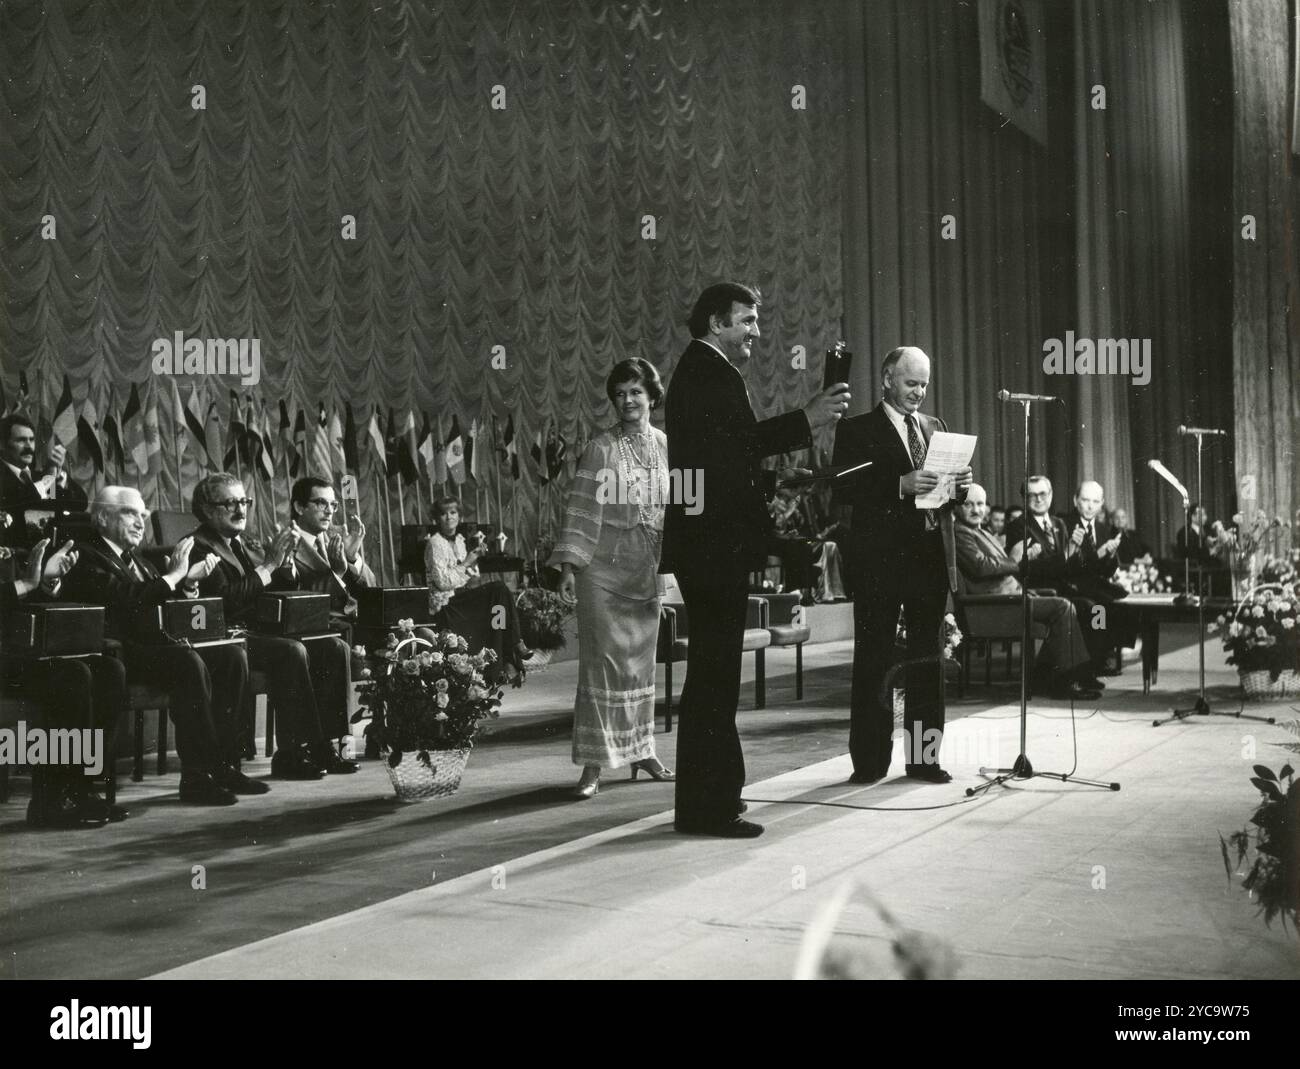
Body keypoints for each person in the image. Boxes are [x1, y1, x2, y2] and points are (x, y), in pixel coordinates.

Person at [661, 282, 849, 837]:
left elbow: (720, 456)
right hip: (711, 548)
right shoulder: (706, 371)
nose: (756, 332)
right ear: (717, 322)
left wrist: (771, 477)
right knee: (714, 679)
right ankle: (706, 809)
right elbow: (735, 443)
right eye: (747, 320)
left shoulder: (706, 369)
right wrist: (806, 418)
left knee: (715, 678)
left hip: (711, 546)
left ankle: (714, 798)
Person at [60, 487, 254, 806]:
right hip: (119, 651)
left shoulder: (139, 560)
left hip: (155, 648)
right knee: (187, 662)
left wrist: (187, 583)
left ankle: (225, 764)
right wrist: (174, 576)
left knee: (231, 655)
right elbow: (126, 599)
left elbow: (166, 606)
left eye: (144, 514)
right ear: (104, 518)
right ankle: (197, 775)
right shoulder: (85, 555)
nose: (141, 522)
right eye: (131, 513)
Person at [832, 346, 972, 785]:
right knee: (874, 660)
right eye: (911, 383)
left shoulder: (935, 427)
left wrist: (961, 486)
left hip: (927, 562)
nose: (919, 392)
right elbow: (843, 488)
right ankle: (870, 762)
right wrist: (899, 484)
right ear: (888, 378)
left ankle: (924, 759)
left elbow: (945, 495)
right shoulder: (857, 429)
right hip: (880, 563)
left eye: (925, 384)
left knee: (927, 662)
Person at [549, 358, 673, 799]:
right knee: (601, 669)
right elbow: (582, 508)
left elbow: (684, 505)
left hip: (646, 573)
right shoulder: (600, 448)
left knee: (640, 669)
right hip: (599, 574)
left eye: (636, 392)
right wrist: (568, 567)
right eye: (620, 394)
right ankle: (594, 765)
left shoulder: (665, 445)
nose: (628, 401)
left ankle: (643, 751)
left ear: (652, 397)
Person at [190, 473, 357, 779]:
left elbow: (272, 586)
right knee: (291, 651)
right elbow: (223, 602)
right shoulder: (199, 547)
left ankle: (324, 746)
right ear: (208, 509)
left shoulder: (244, 542)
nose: (241, 510)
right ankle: (292, 753)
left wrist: (285, 567)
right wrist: (268, 566)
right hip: (228, 638)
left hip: (260, 633)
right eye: (230, 503)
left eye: (244, 501)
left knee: (333, 647)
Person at [2, 537, 128, 827]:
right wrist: (26, 584)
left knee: (110, 669)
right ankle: (51, 800)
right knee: (73, 675)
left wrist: (47, 582)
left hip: (17, 653)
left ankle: (81, 789)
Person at [954, 484, 1103, 699]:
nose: (976, 510)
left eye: (980, 504)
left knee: (1092, 608)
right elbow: (985, 566)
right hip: (997, 605)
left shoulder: (981, 531)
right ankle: (1068, 678)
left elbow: (1000, 564)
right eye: (969, 504)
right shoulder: (967, 532)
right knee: (1070, 607)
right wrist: (1018, 560)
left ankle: (1065, 674)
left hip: (1020, 596)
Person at [425, 495, 531, 684]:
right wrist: (467, 562)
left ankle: (505, 659)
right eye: (443, 514)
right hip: (446, 605)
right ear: (436, 518)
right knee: (498, 589)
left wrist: (473, 559)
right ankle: (514, 646)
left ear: (459, 516)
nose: (449, 517)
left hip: (460, 596)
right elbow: (442, 582)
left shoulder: (458, 540)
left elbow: (467, 575)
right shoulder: (435, 543)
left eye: (453, 512)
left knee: (498, 603)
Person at [0, 413, 88, 547]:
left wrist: (59, 478)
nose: (29, 446)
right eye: (21, 440)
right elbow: (21, 502)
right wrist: (49, 478)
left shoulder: (42, 478)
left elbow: (79, 504)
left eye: (31, 440)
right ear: (2, 444)